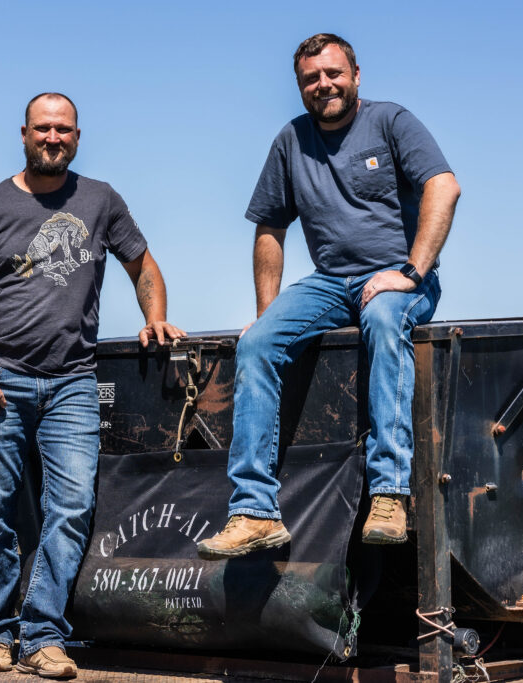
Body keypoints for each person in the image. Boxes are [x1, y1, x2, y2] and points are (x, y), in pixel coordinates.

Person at [0, 92, 185, 677]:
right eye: (43, 129)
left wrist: (154, 317)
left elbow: (142, 265)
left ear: (77, 136)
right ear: (23, 134)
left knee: (69, 507)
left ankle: (44, 636)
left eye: (64, 130)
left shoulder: (100, 200)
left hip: (73, 383)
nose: (54, 138)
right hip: (0, 386)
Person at [198, 34, 460, 560]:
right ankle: (254, 511)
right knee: (257, 344)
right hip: (329, 282)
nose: (324, 85)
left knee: (386, 319)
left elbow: (443, 186)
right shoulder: (291, 141)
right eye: (311, 79)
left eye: (334, 74)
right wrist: (266, 312)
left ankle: (389, 495)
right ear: (299, 88)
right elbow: (270, 226)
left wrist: (411, 271)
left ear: (356, 74)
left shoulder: (391, 122)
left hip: (396, 280)